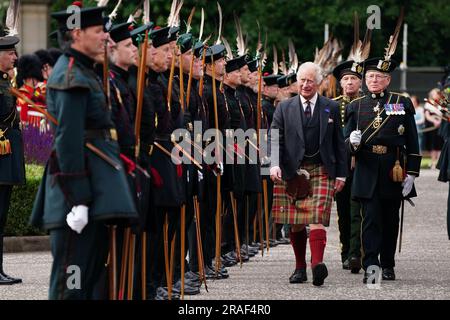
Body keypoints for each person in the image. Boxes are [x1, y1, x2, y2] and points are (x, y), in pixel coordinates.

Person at [30, 3, 138, 299]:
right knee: (72, 284)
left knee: (88, 280)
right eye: (100, 31)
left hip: (92, 191)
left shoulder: (86, 71)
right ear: (77, 33)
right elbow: (68, 138)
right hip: (76, 198)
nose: (107, 38)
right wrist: (77, 199)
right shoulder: (71, 76)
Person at [345, 51, 421, 283]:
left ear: (388, 80)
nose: (374, 80)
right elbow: (345, 140)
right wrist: (352, 143)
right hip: (367, 167)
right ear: (365, 80)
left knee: (390, 220)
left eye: (379, 76)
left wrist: (412, 173)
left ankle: (388, 264)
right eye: (370, 76)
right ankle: (372, 264)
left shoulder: (401, 102)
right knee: (370, 220)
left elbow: (412, 139)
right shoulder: (356, 106)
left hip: (393, 168)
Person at [269, 61, 347, 286]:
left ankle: (317, 266)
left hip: (322, 169)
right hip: (292, 170)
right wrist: (274, 164)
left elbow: (338, 142)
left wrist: (341, 174)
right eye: (302, 80)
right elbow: (275, 138)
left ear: (319, 82)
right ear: (297, 81)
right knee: (295, 223)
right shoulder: (284, 107)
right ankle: (300, 267)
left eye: (310, 81)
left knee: (316, 218)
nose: (305, 85)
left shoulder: (330, 107)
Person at [332, 58, 365, 273]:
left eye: (354, 78)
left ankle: (357, 252)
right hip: (341, 166)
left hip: (363, 164)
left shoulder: (368, 103)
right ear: (340, 83)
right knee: (343, 211)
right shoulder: (333, 105)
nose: (350, 82)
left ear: (360, 82)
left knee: (360, 211)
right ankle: (346, 251)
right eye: (346, 79)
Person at [0, 34, 24, 286]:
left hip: (6, 157)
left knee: (2, 216)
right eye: (10, 53)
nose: (15, 57)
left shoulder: (6, 82)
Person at [424, 88, 443, 169]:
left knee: (440, 144)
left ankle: (439, 162)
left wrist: (439, 121)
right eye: (436, 93)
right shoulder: (428, 104)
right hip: (431, 127)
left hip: (440, 128)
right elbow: (427, 116)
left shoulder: (441, 104)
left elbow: (443, 115)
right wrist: (434, 121)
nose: (437, 95)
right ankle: (433, 162)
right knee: (432, 145)